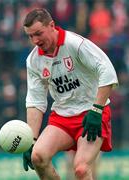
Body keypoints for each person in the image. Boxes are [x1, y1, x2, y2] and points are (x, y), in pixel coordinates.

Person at [22, 8, 118, 180]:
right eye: (30, 36)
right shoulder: (33, 60)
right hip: (62, 117)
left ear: (51, 25)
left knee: (81, 169)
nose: (35, 40)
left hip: (92, 113)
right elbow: (35, 101)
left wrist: (97, 109)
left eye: (38, 33)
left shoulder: (75, 44)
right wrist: (32, 139)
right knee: (38, 156)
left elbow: (107, 71)